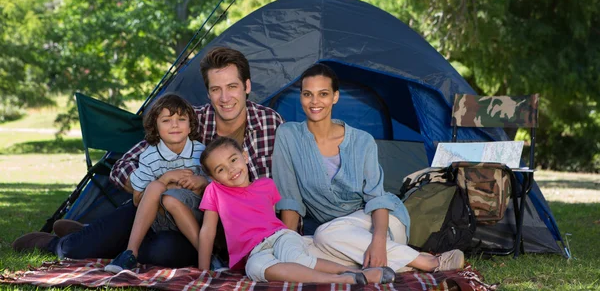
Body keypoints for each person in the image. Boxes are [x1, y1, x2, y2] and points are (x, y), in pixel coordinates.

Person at [12, 47, 283, 268]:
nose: (225, 98)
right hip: (163, 213)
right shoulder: (189, 121)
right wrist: (153, 186)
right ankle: (58, 243)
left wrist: (208, 184)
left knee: (161, 254)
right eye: (216, 89)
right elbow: (123, 166)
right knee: (78, 249)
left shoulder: (269, 122)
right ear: (208, 91)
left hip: (218, 232)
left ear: (246, 86)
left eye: (232, 87)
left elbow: (269, 188)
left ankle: (98, 234)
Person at [272, 63, 465, 273]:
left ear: (335, 97)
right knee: (301, 251)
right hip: (340, 238)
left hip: (379, 224)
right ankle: (399, 261)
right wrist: (289, 243)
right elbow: (290, 198)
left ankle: (430, 263)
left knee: (324, 235)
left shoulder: (362, 141)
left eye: (323, 94)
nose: (315, 101)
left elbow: (377, 198)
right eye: (308, 94)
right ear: (300, 97)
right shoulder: (288, 135)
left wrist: (379, 241)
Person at [198, 137, 396, 284]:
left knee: (295, 257)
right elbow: (208, 231)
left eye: (233, 160)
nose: (231, 170)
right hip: (253, 252)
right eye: (221, 169)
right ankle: (344, 279)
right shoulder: (215, 191)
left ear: (245, 156)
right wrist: (203, 271)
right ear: (214, 178)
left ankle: (351, 271)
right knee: (255, 270)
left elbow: (272, 217)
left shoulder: (266, 185)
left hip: (280, 236)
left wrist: (285, 238)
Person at [104, 93, 208, 273]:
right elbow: (138, 200)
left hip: (195, 214)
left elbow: (215, 187)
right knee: (156, 187)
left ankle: (208, 255)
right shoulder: (149, 156)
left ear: (190, 126)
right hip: (161, 220)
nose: (174, 125)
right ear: (156, 127)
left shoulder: (200, 152)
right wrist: (165, 179)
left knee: (169, 197)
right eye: (166, 120)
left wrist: (200, 180)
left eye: (181, 119)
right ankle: (130, 253)